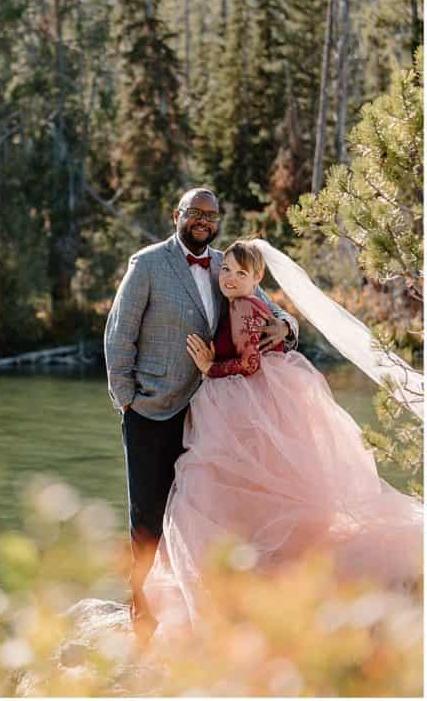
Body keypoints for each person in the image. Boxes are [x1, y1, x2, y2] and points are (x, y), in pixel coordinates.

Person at [143, 241, 424, 636]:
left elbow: (250, 359)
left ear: (257, 278)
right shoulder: (215, 283)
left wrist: (210, 366)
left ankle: (245, 577)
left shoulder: (244, 302)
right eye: (228, 271)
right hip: (243, 398)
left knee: (221, 486)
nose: (230, 277)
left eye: (241, 274)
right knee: (253, 484)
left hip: (238, 397)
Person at [104, 188, 299, 643]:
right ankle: (140, 613)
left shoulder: (225, 266)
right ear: (177, 215)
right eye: (195, 213)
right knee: (147, 514)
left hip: (212, 414)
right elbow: (119, 335)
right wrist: (127, 399)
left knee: (201, 514)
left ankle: (191, 610)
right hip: (153, 410)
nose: (203, 221)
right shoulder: (148, 263)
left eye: (211, 215)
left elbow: (272, 312)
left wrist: (285, 327)